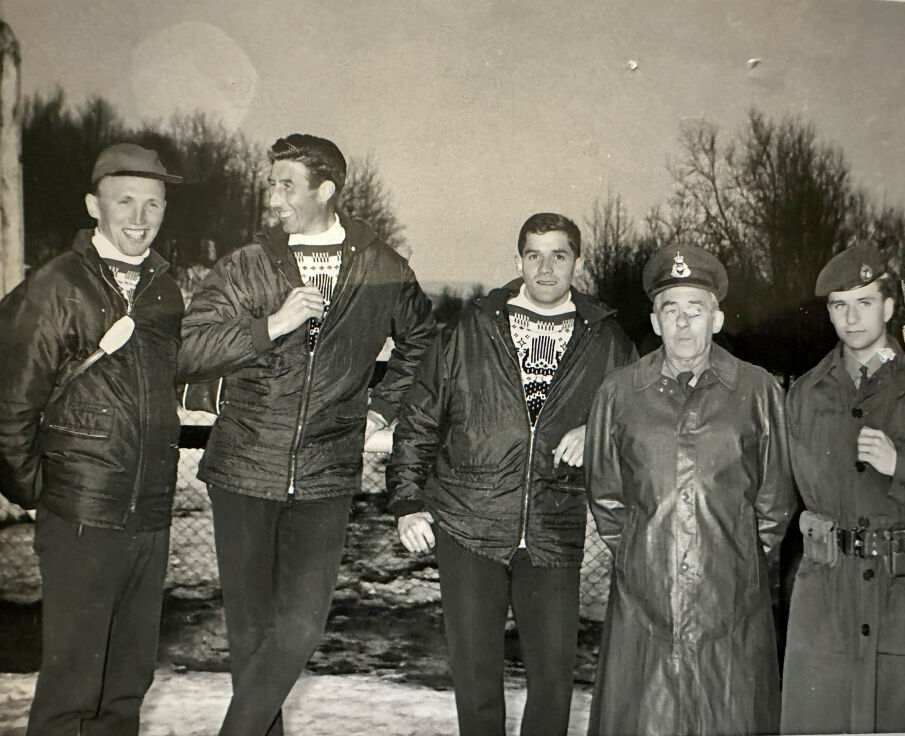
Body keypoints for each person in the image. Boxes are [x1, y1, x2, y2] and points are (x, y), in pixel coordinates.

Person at [178, 133, 436, 736]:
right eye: (272, 183)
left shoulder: (381, 268)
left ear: (326, 190)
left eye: (286, 184)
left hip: (326, 469)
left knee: (300, 629)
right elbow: (187, 350)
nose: (274, 196)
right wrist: (270, 325)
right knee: (249, 636)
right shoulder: (247, 264)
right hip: (243, 465)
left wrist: (382, 406)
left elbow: (425, 341)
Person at [387, 212, 635, 736]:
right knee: (476, 679)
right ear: (518, 260)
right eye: (534, 254)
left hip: (552, 527)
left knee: (552, 680)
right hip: (467, 523)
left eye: (559, 255)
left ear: (577, 262)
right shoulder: (471, 328)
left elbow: (635, 423)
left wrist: (596, 433)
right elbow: (420, 416)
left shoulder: (608, 341)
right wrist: (408, 500)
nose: (546, 268)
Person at [0, 143, 184, 735]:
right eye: (125, 200)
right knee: (72, 687)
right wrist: (42, 494)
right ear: (92, 205)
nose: (139, 217)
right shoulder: (57, 286)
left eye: (153, 203)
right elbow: (11, 406)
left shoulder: (165, 289)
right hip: (80, 512)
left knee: (126, 687)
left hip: (149, 515)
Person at [584, 245, 795, 736]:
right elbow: (607, 495)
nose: (683, 323)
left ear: (716, 319)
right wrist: (647, 553)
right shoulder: (618, 393)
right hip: (645, 600)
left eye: (695, 309)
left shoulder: (758, 390)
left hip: (732, 600)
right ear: (655, 322)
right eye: (670, 310)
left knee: (731, 716)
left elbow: (775, 500)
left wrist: (734, 557)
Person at [780, 245, 905, 733]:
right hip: (825, 599)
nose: (851, 317)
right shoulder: (804, 394)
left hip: (903, 598)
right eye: (839, 305)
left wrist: (900, 465)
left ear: (888, 307)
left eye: (864, 302)